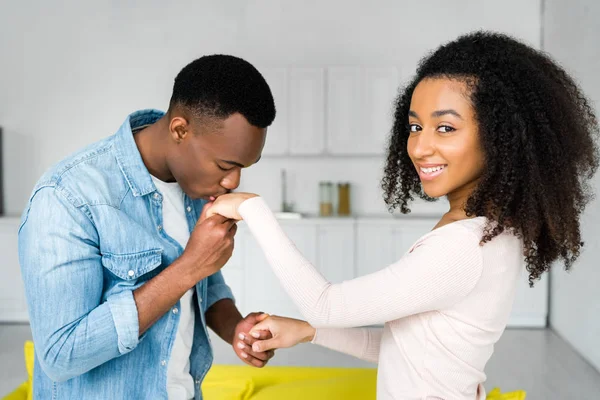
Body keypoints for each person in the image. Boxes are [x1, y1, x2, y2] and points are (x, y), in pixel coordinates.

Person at [207, 32, 599, 400]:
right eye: (415, 126)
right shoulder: (492, 231)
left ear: (500, 136)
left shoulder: (462, 248)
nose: (420, 146)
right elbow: (413, 352)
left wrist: (250, 208)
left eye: (445, 127)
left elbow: (326, 304)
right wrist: (308, 333)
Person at [19, 54, 277, 400]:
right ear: (180, 130)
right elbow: (61, 354)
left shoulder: (196, 185)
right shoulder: (68, 196)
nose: (233, 181)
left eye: (245, 166)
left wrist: (236, 328)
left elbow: (204, 282)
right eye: (225, 165)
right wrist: (189, 267)